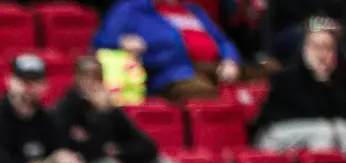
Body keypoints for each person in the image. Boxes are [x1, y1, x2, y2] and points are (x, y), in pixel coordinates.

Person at [54, 55, 185, 163]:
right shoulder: (65, 109)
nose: (91, 83)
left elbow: (148, 147)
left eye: (97, 77)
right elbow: (88, 152)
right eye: (86, 77)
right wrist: (100, 117)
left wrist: (118, 151)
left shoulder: (111, 110)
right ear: (76, 79)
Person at [93, 0, 245, 101]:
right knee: (207, 94)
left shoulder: (193, 11)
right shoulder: (131, 9)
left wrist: (230, 60)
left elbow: (222, 41)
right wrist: (121, 42)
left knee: (258, 80)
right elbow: (101, 41)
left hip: (214, 68)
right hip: (171, 74)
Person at [254, 22, 346, 153]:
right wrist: (320, 82)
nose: (322, 54)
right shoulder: (288, 77)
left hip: (309, 131)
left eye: (328, 48)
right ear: (305, 49)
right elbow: (306, 113)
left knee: (342, 126)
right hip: (273, 135)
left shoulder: (337, 80)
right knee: (323, 130)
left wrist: (327, 84)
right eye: (317, 47)